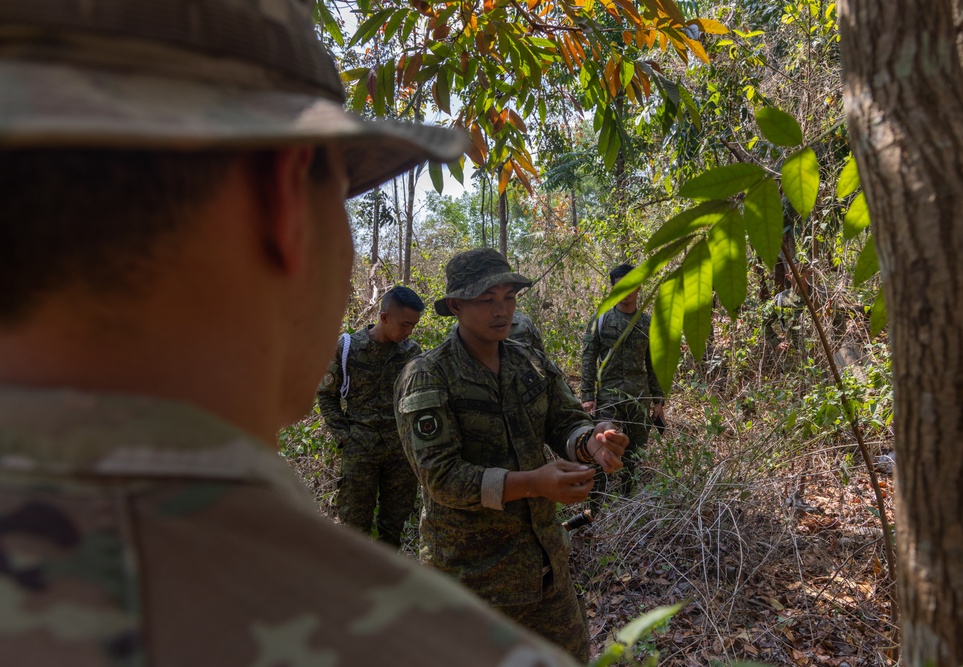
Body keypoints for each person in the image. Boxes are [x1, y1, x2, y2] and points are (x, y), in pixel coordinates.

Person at [0, 2, 582, 664]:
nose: (503, 309)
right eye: (340, 194)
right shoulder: (433, 644)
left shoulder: (520, 355)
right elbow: (438, 468)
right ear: (285, 203)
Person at [394, 248, 629, 663]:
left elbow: (565, 421)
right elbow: (441, 477)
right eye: (487, 300)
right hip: (471, 581)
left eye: (509, 297)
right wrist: (534, 483)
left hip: (545, 569)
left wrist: (591, 442)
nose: (501, 310)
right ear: (455, 305)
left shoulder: (529, 362)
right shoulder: (428, 375)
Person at [317, 286, 424, 548]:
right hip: (360, 451)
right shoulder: (348, 347)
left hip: (400, 453)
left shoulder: (412, 352)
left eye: (413, 326)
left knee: (393, 524)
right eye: (405, 324)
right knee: (355, 524)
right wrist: (345, 437)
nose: (409, 331)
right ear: (384, 317)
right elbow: (326, 395)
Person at [580, 263, 665, 501]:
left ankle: (627, 500)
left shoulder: (648, 323)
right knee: (603, 448)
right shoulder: (601, 320)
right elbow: (588, 357)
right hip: (609, 396)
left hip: (639, 397)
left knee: (634, 453)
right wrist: (587, 397)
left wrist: (658, 401)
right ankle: (596, 503)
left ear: (639, 288)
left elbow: (654, 363)